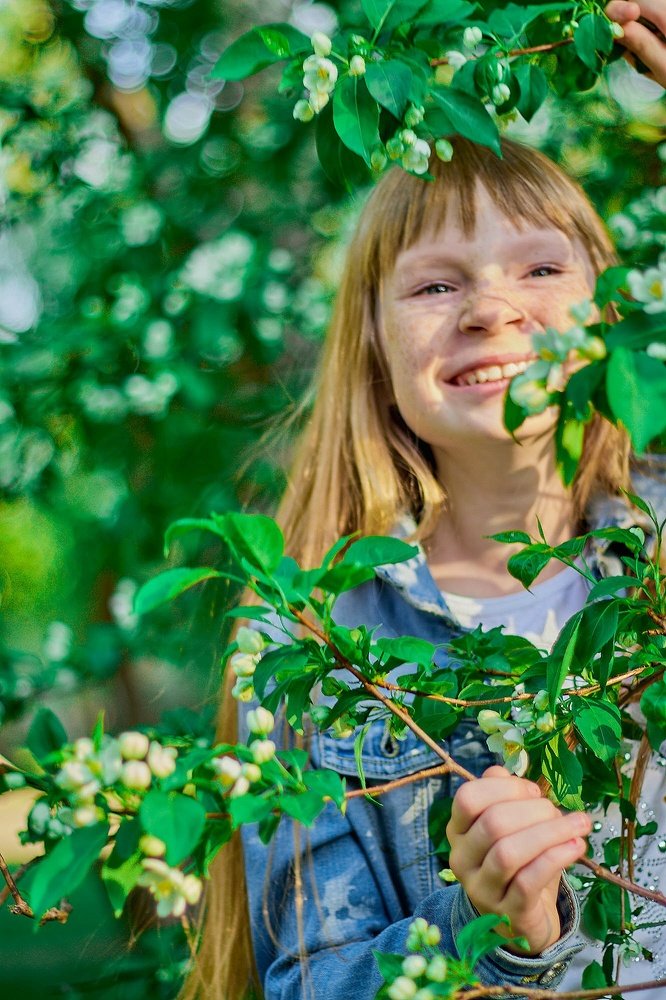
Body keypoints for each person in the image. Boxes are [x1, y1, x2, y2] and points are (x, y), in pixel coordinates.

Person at [178, 132, 666, 1000]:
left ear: (612, 303)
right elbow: (314, 981)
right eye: (436, 284)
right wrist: (480, 928)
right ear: (372, 337)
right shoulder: (307, 636)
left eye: (541, 271)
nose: (491, 308)